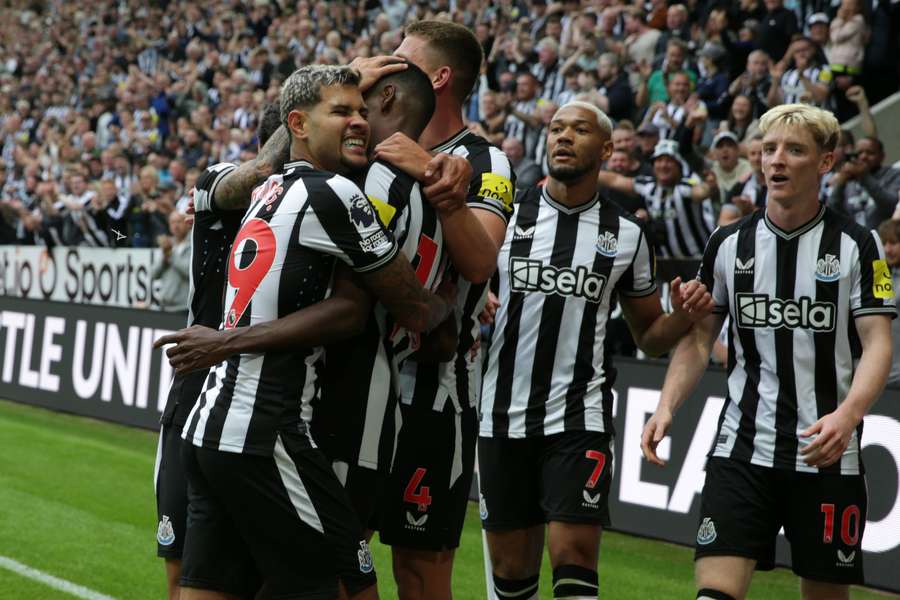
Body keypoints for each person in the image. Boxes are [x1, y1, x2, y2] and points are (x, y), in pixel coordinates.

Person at [170, 65, 454, 600]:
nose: (359, 124)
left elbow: (348, 309)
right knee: (355, 583)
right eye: (342, 112)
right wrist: (455, 296)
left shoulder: (266, 189)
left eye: (364, 113)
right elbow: (415, 310)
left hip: (208, 429)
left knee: (213, 590)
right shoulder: (337, 195)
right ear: (297, 123)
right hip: (266, 429)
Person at [642, 103, 894, 600]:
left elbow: (879, 343)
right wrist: (667, 406)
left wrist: (848, 415)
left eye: (795, 150)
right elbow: (698, 339)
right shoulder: (727, 243)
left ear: (824, 162)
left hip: (827, 456)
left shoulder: (859, 245)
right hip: (741, 451)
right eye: (770, 149)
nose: (777, 160)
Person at [479, 100, 713, 600]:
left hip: (578, 416)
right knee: (511, 568)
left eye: (579, 130)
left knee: (575, 554)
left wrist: (685, 315)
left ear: (606, 148)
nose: (563, 137)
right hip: (499, 414)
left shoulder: (627, 234)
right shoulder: (504, 216)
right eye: (556, 129)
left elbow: (650, 336)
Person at [361, 19, 516, 600]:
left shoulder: (485, 162)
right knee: (336, 556)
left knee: (420, 571)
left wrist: (431, 174)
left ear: (440, 76)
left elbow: (479, 262)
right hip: (352, 384)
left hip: (432, 392)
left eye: (402, 58)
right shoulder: (365, 141)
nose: (388, 66)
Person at [153, 103, 289, 600]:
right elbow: (260, 173)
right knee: (183, 570)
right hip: (197, 391)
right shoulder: (217, 182)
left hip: (272, 399)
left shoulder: (318, 203)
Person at [598, 139, 716, 258]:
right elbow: (614, 180)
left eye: (669, 161)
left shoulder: (685, 187)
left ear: (678, 165)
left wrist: (710, 186)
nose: (663, 165)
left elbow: (700, 192)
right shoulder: (648, 187)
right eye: (659, 160)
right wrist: (586, 171)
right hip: (668, 263)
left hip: (699, 260)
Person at [828, 137, 900, 229]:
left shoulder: (894, 174)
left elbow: (891, 206)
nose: (863, 157)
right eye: (859, 153)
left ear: (882, 156)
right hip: (860, 240)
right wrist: (840, 184)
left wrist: (865, 177)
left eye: (870, 153)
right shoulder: (849, 181)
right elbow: (833, 213)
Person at [152, 210, 191, 313]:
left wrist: (171, 254)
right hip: (165, 306)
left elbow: (189, 271)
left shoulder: (193, 244)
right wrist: (164, 259)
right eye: (172, 222)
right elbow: (153, 274)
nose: (175, 226)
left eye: (179, 222)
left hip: (183, 308)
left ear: (187, 224)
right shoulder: (169, 244)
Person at [876, 219, 900, 387]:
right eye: (883, 243)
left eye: (893, 243)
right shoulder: (880, 271)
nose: (887, 249)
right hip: (880, 378)